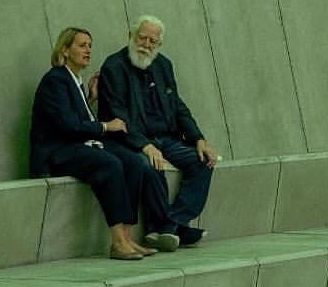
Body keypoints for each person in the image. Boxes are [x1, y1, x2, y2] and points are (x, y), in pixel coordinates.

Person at [27, 26, 156, 260]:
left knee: (134, 162)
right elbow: (67, 126)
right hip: (56, 152)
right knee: (109, 164)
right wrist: (106, 126)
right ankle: (117, 243)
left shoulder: (74, 80)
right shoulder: (55, 80)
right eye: (82, 45)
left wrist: (90, 98)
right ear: (65, 50)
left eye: (90, 46)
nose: (88, 50)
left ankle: (127, 238)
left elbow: (74, 118)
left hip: (76, 146)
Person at [98, 15, 219, 251]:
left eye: (152, 41)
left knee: (203, 161)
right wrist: (145, 145)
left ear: (159, 44)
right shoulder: (114, 66)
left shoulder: (163, 65)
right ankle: (169, 228)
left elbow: (178, 107)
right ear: (130, 36)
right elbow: (117, 114)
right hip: (131, 140)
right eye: (141, 38)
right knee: (150, 165)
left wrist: (199, 138)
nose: (146, 45)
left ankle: (171, 224)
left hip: (166, 137)